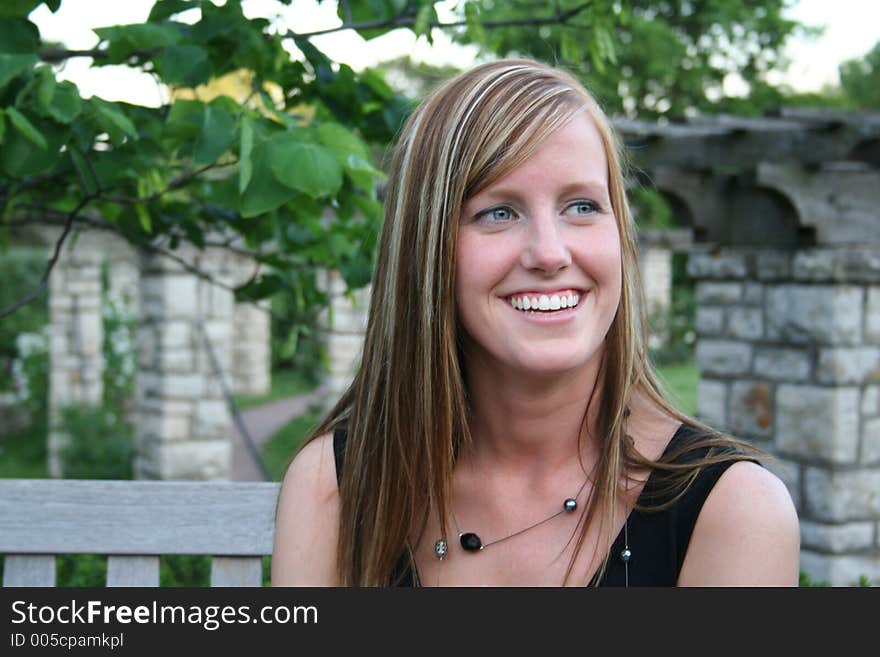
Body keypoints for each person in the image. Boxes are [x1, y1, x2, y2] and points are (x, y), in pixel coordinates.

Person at [271, 58, 800, 587]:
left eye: (581, 206)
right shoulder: (336, 486)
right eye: (498, 212)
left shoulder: (734, 510)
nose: (550, 253)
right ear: (426, 251)